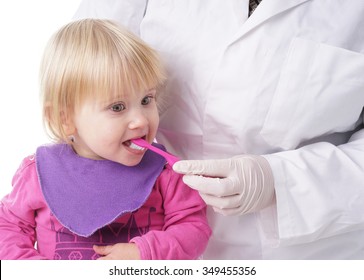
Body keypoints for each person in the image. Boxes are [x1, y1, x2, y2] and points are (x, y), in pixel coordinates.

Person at [73, 0, 364, 259]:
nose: (137, 119)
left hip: (312, 255)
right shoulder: (40, 177)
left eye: (147, 101)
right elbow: (81, 78)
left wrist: (279, 181)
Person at [0, 19, 211, 260]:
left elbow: (194, 229)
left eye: (146, 100)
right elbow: (8, 227)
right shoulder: (37, 173)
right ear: (65, 119)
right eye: (118, 107)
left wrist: (146, 252)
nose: (141, 121)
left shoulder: (165, 173)